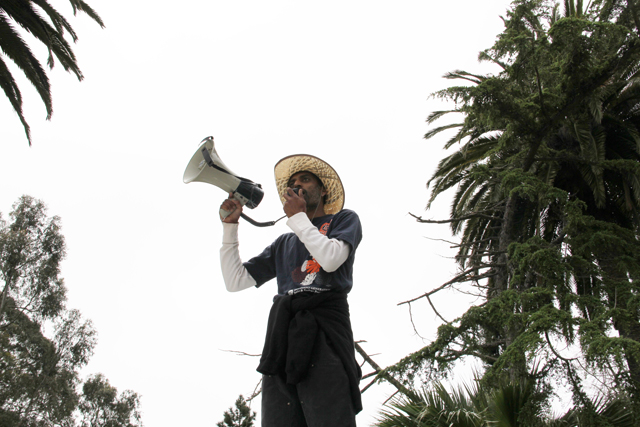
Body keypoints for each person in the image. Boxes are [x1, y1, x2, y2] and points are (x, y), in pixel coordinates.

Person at [219, 154, 363, 427]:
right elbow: (234, 281)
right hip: (283, 336)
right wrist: (230, 227)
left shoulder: (344, 220)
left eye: (305, 180)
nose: (297, 185)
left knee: (329, 415)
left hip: (325, 332)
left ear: (322, 190)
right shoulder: (284, 243)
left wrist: (298, 218)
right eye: (293, 182)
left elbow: (331, 259)